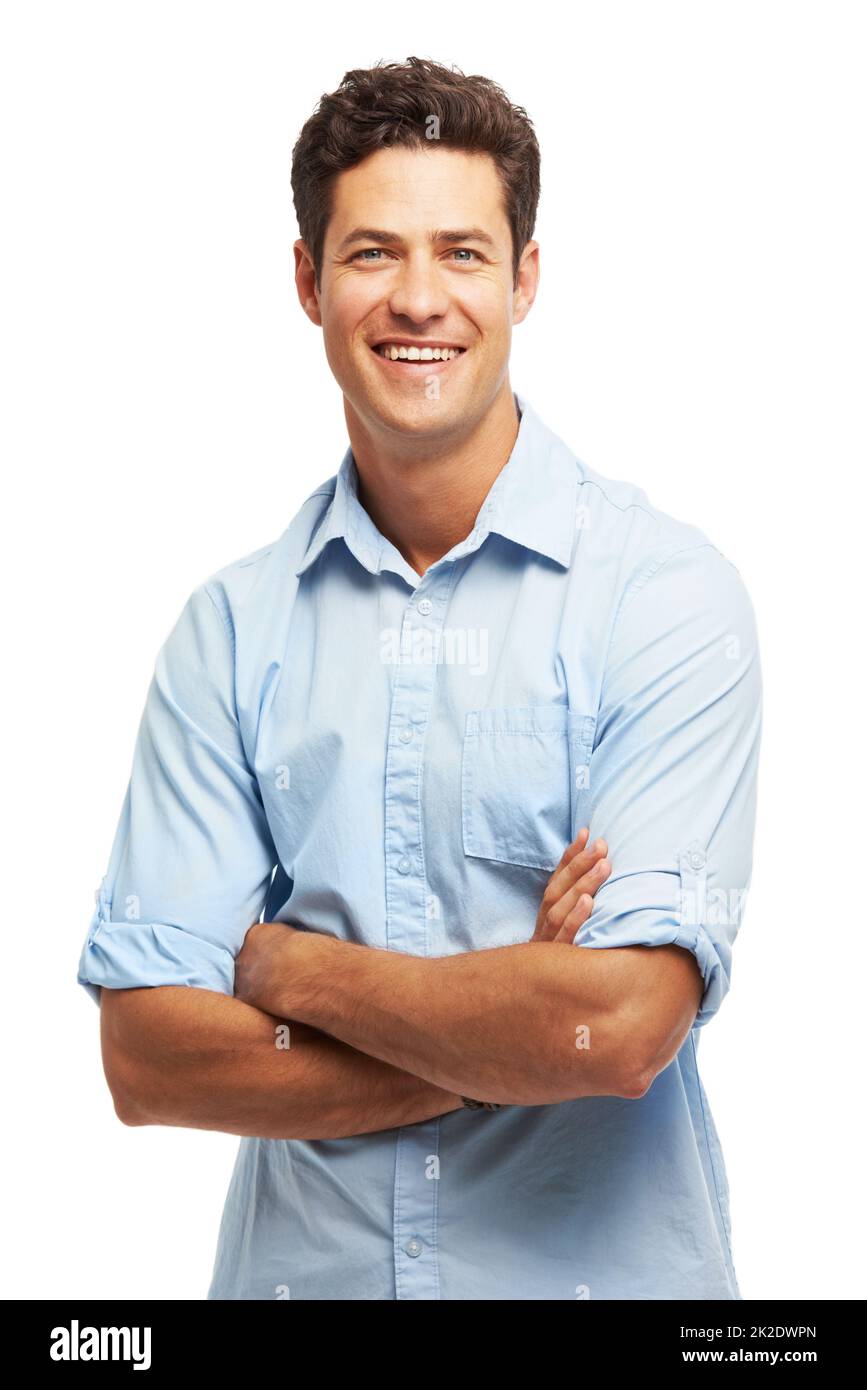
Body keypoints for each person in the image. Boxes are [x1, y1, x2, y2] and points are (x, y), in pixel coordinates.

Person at [78, 56, 762, 1301]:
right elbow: (151, 1060)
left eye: (461, 252)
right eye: (373, 253)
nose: (419, 299)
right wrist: (503, 1019)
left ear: (525, 279)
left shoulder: (665, 602)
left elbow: (613, 1030)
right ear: (307, 281)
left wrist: (288, 969)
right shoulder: (230, 632)